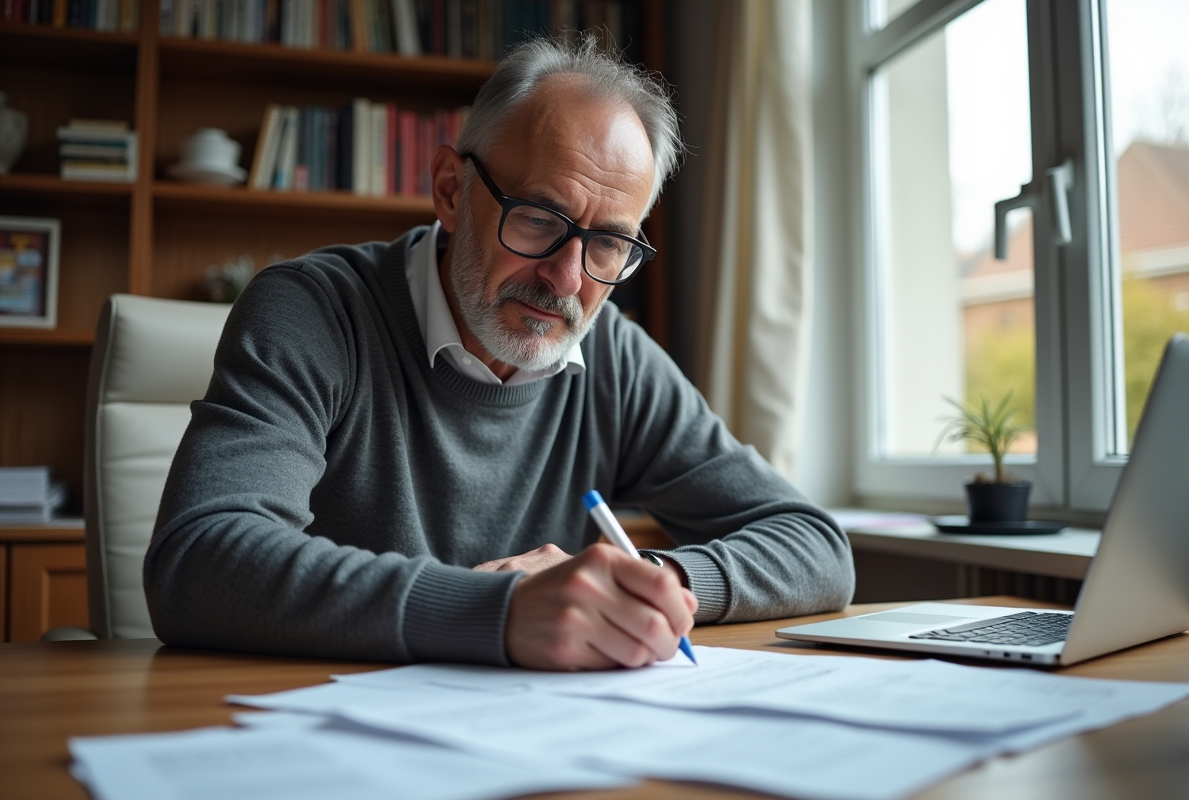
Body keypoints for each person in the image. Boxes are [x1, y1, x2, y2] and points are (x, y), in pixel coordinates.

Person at [145, 35, 854, 671]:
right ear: (452, 191)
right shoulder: (314, 311)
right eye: (541, 219)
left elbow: (816, 547)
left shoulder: (616, 358)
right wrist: (500, 611)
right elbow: (199, 560)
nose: (567, 280)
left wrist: (646, 584)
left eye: (609, 241)